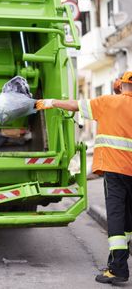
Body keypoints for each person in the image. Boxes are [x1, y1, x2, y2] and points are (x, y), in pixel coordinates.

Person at [36, 71, 132, 285]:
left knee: (117, 215)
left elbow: (76, 105)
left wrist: (51, 102)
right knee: (127, 218)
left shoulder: (108, 102)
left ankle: (118, 269)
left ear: (119, 85)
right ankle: (117, 262)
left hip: (115, 168)